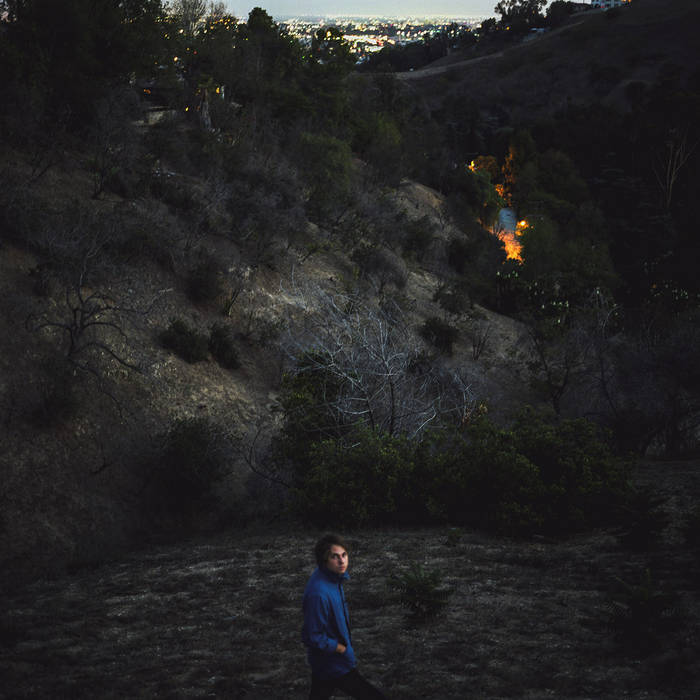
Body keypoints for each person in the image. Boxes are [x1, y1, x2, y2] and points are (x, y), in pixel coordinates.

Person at [302, 533, 388, 699]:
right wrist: (339, 648)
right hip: (333, 663)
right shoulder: (318, 593)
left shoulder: (333, 579)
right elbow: (312, 636)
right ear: (324, 560)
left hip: (328, 664)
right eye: (335, 557)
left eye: (344, 555)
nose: (342, 562)